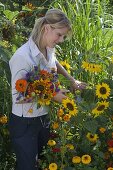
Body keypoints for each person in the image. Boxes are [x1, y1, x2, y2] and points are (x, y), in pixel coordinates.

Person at [9, 8, 86, 170]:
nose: (61, 40)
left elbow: (54, 62)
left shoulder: (48, 48)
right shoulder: (22, 57)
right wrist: (53, 95)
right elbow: (19, 94)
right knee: (27, 166)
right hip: (25, 122)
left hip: (43, 117)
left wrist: (71, 80)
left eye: (63, 36)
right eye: (59, 35)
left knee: (41, 162)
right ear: (46, 29)